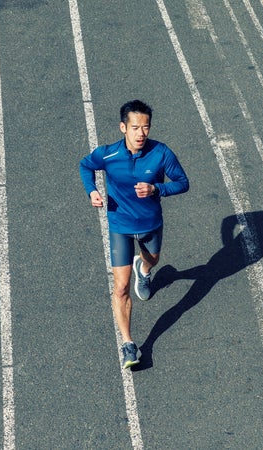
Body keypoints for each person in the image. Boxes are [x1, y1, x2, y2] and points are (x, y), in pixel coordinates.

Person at [79, 100, 189, 369]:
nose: (141, 133)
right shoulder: (107, 155)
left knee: (153, 258)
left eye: (146, 127)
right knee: (121, 287)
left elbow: (183, 183)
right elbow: (85, 166)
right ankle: (129, 344)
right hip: (120, 227)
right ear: (123, 128)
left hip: (151, 224)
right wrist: (92, 190)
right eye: (136, 127)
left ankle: (146, 269)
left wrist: (157, 190)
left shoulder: (161, 154)